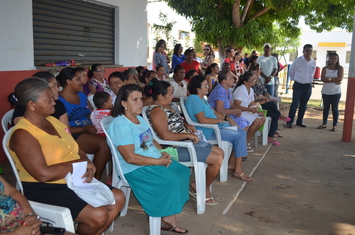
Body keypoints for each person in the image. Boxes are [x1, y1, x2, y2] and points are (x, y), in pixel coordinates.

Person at [8, 78, 124, 235]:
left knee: (118, 197)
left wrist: (87, 164)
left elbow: (77, 149)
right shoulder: (23, 134)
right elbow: (43, 174)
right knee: (98, 215)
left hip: (71, 178)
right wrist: (77, 165)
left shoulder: (52, 121)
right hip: (45, 188)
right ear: (31, 105)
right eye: (48, 99)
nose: (54, 102)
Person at [107, 84, 189, 233]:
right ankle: (165, 215)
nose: (140, 102)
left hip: (151, 160)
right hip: (134, 168)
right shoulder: (120, 125)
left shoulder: (138, 118)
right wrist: (158, 161)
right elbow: (130, 158)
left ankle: (168, 214)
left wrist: (161, 152)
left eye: (141, 99)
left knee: (183, 172)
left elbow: (150, 140)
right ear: (124, 103)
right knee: (171, 180)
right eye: (135, 100)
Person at [145, 79, 223, 205]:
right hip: (177, 147)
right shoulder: (157, 111)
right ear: (160, 96)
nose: (173, 96)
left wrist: (186, 125)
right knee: (216, 158)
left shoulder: (166, 107)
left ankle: (198, 184)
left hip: (187, 142)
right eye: (170, 94)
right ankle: (203, 188)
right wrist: (187, 135)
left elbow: (174, 122)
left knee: (220, 152)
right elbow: (165, 136)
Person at [186, 75, 252, 181]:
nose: (208, 87)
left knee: (241, 131)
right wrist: (220, 121)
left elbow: (214, 112)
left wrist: (227, 119)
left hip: (215, 128)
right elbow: (202, 120)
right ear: (198, 89)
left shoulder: (202, 98)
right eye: (205, 86)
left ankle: (232, 164)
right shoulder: (193, 99)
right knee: (240, 135)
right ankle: (238, 169)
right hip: (207, 131)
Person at [58, 67, 111, 180]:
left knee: (114, 139)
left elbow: (92, 114)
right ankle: (94, 178)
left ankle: (111, 176)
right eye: (78, 79)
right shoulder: (59, 101)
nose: (83, 82)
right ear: (68, 82)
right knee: (105, 144)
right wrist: (83, 129)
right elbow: (60, 130)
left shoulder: (82, 95)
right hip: (72, 135)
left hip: (89, 131)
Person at [208, 71, 254, 151]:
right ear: (224, 81)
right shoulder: (220, 90)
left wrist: (236, 110)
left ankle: (238, 149)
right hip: (218, 117)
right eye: (231, 78)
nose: (234, 79)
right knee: (241, 125)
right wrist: (235, 111)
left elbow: (229, 104)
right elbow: (220, 110)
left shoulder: (227, 89)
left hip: (226, 114)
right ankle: (235, 151)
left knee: (244, 122)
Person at [249, 63, 290, 139]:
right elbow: (255, 95)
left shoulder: (259, 80)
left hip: (261, 102)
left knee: (274, 113)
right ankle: (274, 130)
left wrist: (267, 96)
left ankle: (272, 133)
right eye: (259, 70)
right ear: (254, 71)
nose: (260, 71)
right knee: (272, 107)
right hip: (256, 105)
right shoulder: (251, 81)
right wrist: (265, 98)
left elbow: (264, 90)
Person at [232, 72, 270, 144]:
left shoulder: (251, 90)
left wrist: (259, 107)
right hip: (239, 113)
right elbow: (237, 106)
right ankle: (247, 141)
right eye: (252, 80)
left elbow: (251, 103)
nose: (254, 81)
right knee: (257, 121)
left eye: (254, 79)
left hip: (246, 111)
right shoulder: (240, 89)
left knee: (263, 118)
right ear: (245, 82)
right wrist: (251, 110)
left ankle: (247, 139)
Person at [287, 44, 316, 128]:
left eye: (310, 50)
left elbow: (312, 73)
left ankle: (300, 121)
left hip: (308, 86)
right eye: (307, 50)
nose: (309, 52)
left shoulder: (313, 62)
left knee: (303, 105)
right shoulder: (298, 61)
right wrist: (294, 79)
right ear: (303, 51)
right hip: (298, 85)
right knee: (294, 104)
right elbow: (291, 71)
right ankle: (289, 121)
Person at [318, 53, 343, 132]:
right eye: (332, 58)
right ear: (329, 59)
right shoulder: (325, 68)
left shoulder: (340, 68)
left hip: (336, 91)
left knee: (335, 108)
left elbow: (340, 78)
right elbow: (322, 78)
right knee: (326, 108)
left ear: (337, 59)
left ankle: (335, 125)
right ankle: (324, 123)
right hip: (326, 91)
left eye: (336, 58)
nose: (334, 60)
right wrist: (334, 80)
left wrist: (328, 79)